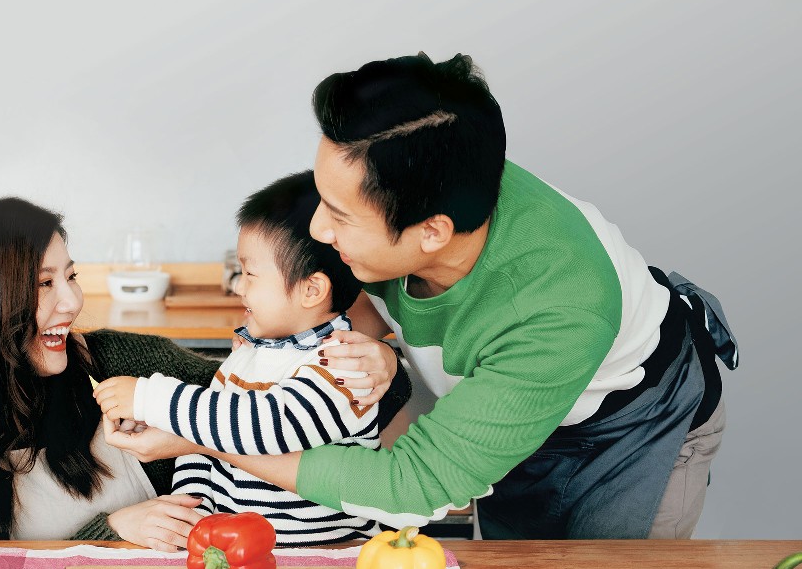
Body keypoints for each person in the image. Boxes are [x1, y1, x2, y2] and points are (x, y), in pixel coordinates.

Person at [108, 53, 737, 540]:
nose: (320, 232)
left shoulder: (562, 306)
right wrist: (381, 349)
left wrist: (198, 437)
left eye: (339, 217)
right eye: (321, 199)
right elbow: (334, 297)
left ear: (431, 233)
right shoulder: (407, 185)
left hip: (630, 428)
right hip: (503, 404)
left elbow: (415, 483)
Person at [0, 196, 223, 551]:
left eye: (71, 276)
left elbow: (257, 405)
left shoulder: (122, 362)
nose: (73, 301)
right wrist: (111, 531)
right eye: (44, 283)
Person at [94, 172, 411, 545]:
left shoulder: (343, 364)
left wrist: (151, 399)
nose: (238, 286)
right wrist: (190, 511)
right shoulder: (248, 357)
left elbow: (267, 426)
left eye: (250, 274)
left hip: (331, 558)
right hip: (248, 555)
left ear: (311, 289)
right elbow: (205, 441)